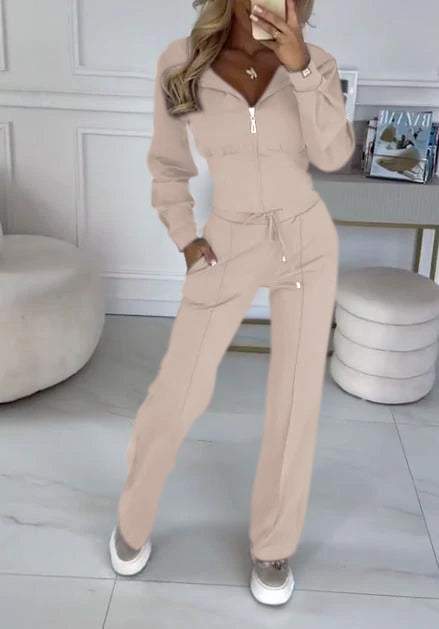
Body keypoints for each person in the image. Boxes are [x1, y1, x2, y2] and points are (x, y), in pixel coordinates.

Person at [109, 0, 355, 607]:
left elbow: (333, 156)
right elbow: (168, 165)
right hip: (229, 239)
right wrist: (186, 239)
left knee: (295, 401)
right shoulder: (183, 62)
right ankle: (132, 519)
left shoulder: (317, 62)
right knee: (178, 391)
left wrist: (300, 67)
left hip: (306, 241)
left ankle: (274, 545)